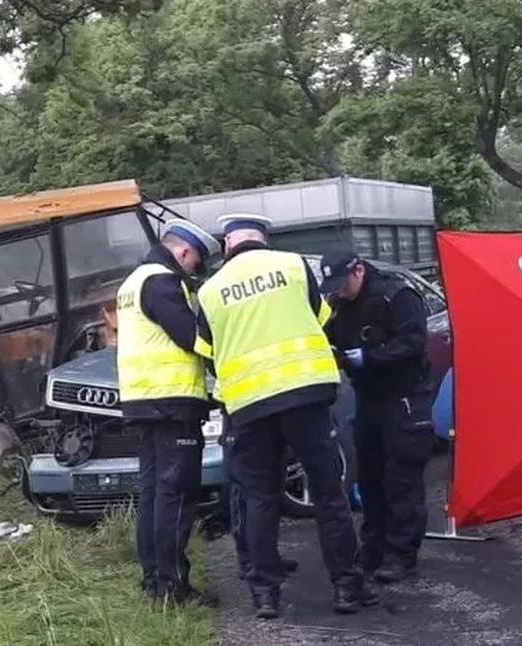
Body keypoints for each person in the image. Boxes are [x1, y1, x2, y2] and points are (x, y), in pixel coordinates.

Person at [194, 214, 377, 619]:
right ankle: (347, 587)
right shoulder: (294, 266)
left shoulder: (209, 291)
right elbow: (322, 320)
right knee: (329, 493)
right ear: (262, 239)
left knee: (260, 499)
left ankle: (265, 594)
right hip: (305, 396)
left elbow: (207, 353)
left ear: (228, 244)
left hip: (249, 406)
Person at [115, 218, 221, 606]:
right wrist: (230, 356)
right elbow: (192, 338)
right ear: (184, 252)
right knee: (176, 494)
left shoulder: (131, 283)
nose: (194, 271)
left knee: (154, 494)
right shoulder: (161, 281)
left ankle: (154, 581)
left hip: (142, 401)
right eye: (195, 263)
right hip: (172, 403)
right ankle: (174, 587)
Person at [318, 247, 434, 585]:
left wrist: (373, 357)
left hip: (404, 397)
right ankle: (374, 549)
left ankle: (401, 556)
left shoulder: (396, 294)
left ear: (358, 271)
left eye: (342, 285)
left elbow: (413, 342)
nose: (338, 293)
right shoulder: (341, 304)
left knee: (401, 480)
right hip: (369, 400)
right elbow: (333, 334)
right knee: (369, 479)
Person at [219, 412, 299, 581]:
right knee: (245, 490)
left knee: (269, 486)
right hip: (240, 410)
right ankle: (248, 559)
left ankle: (266, 557)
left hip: (264, 405)